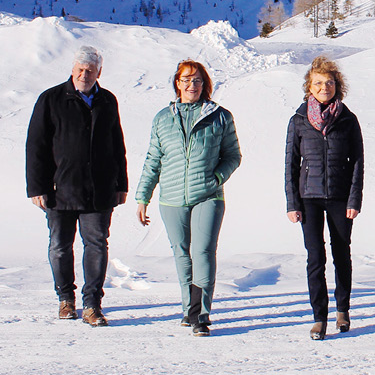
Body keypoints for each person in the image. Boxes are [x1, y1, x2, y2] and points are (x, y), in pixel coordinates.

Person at [135, 60, 241, 337]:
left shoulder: (220, 116)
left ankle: (200, 314)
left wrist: (216, 178)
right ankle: (188, 309)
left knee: (202, 252)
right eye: (186, 80)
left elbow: (233, 155)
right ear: (177, 83)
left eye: (197, 80)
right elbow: (153, 160)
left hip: (208, 195)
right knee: (182, 254)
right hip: (171, 197)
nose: (191, 85)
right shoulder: (163, 118)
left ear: (205, 84)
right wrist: (142, 196)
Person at [26, 45, 128, 327]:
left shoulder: (107, 100)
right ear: (72, 70)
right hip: (60, 190)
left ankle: (92, 304)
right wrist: (37, 187)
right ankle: (65, 299)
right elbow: (37, 146)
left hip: (100, 190)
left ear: (99, 72)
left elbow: (117, 145)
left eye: (90, 70)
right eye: (80, 70)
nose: (85, 74)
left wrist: (121, 183)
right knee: (60, 246)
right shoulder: (51, 99)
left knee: (96, 245)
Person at [285, 55, 364, 341]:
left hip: (341, 197)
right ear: (309, 87)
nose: (324, 87)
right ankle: (319, 317)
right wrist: (292, 203)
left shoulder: (348, 119)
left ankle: (343, 309)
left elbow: (357, 161)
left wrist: (355, 199)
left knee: (342, 255)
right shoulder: (299, 120)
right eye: (318, 83)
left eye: (329, 82)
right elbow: (291, 163)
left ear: (337, 86)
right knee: (315, 258)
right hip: (309, 198)